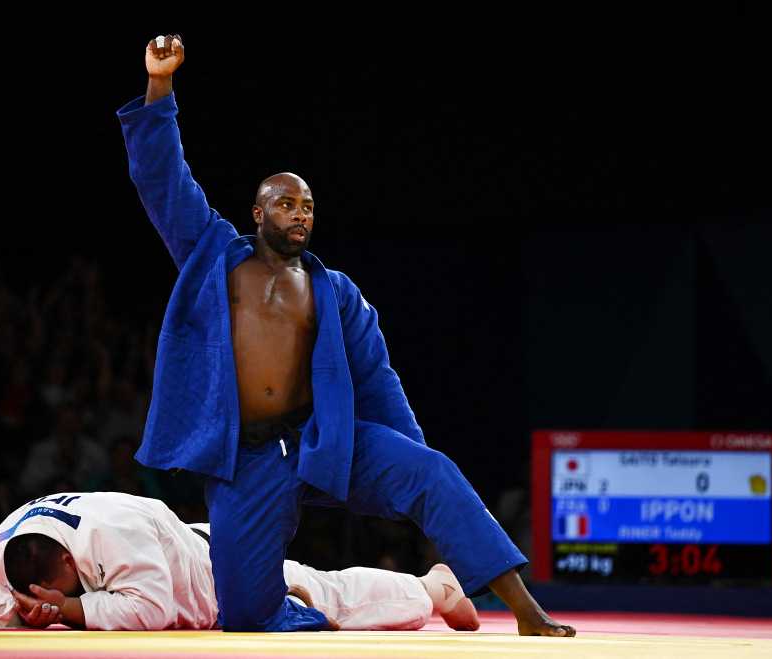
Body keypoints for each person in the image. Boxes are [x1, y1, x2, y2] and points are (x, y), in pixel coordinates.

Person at [116, 34, 574, 636]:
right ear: (258, 213)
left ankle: (526, 610)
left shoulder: (335, 293)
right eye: (285, 204)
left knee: (433, 471)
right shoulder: (211, 257)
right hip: (247, 457)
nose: (300, 214)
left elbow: (379, 381)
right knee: (245, 617)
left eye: (307, 205)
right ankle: (319, 611)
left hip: (320, 441)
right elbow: (162, 179)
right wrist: (160, 85)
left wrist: (410, 462)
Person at [0, 491, 479, 631]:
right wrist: (30, 614)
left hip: (211, 566)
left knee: (324, 596)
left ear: (70, 558)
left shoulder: (116, 533)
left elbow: (151, 612)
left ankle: (432, 587)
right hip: (180, 549)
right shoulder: (1, 548)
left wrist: (66, 611)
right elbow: (1, 612)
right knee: (318, 589)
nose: (68, 596)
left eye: (67, 588)